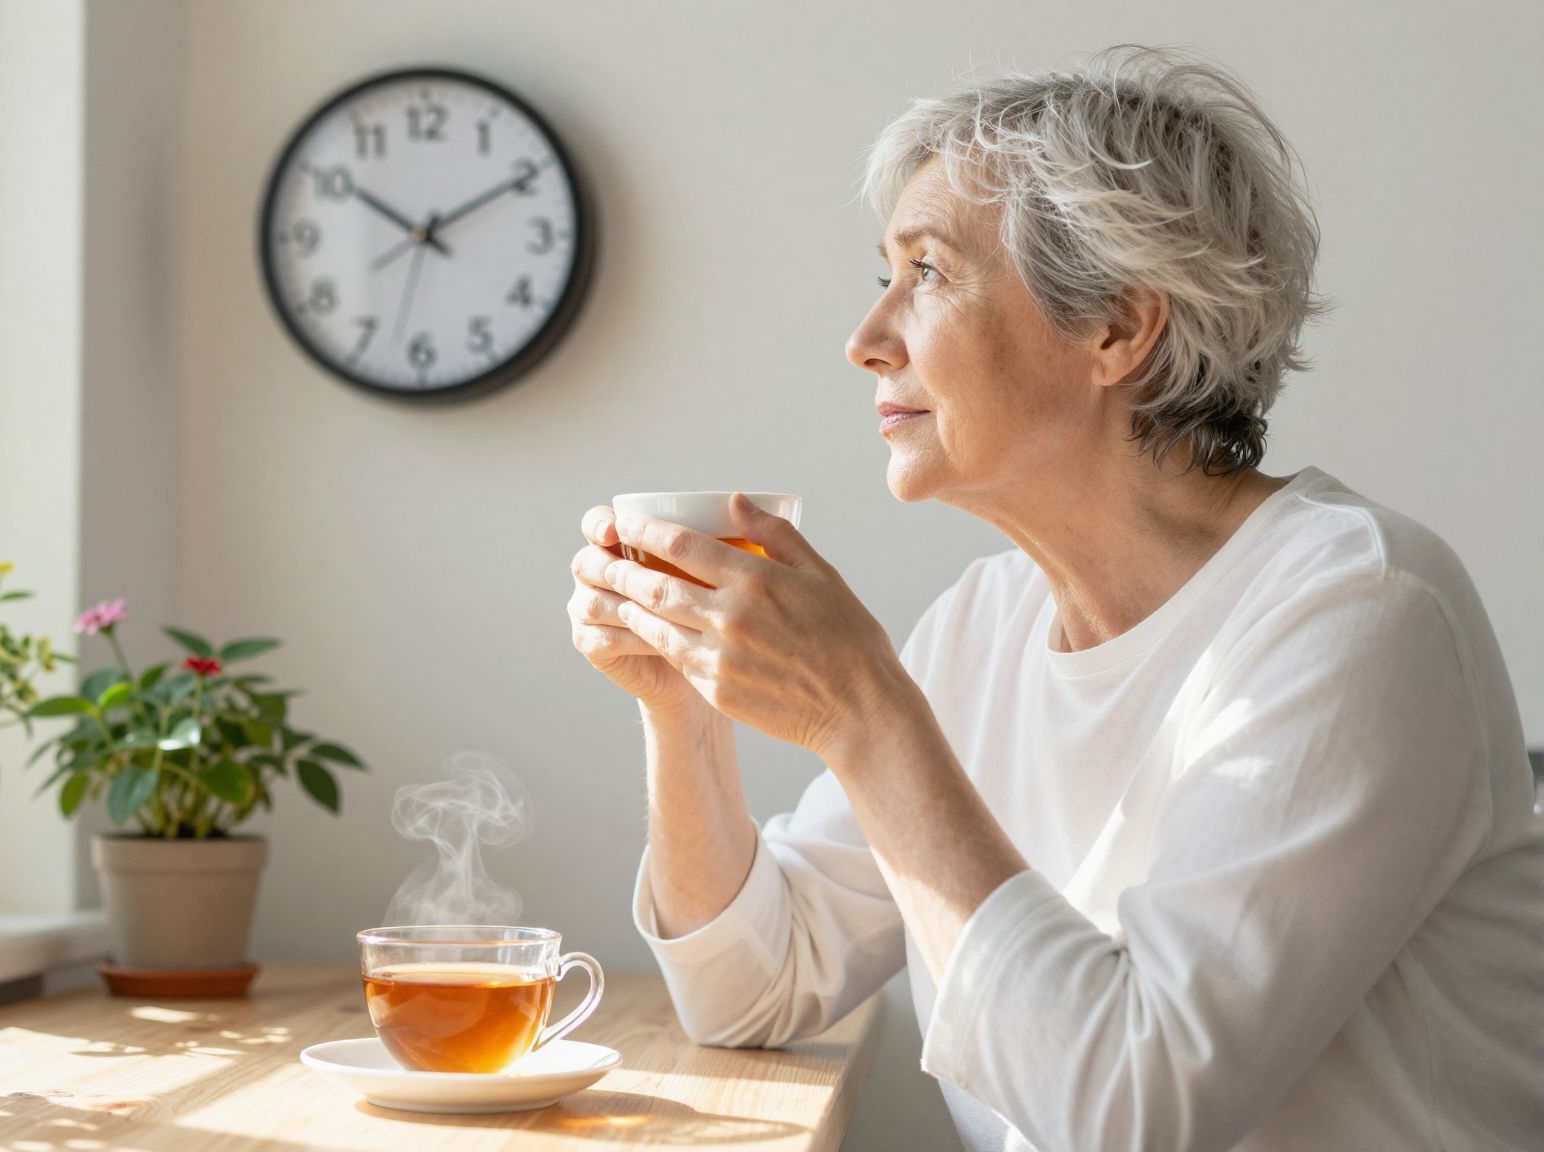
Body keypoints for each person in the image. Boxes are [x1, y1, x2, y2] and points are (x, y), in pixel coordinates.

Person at [566, 45, 1544, 1152]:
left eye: (925, 273)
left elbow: (1130, 1113)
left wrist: (863, 717)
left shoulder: (1357, 612)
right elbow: (751, 991)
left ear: (1116, 329)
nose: (865, 338)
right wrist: (678, 700)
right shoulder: (984, 625)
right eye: (880, 276)